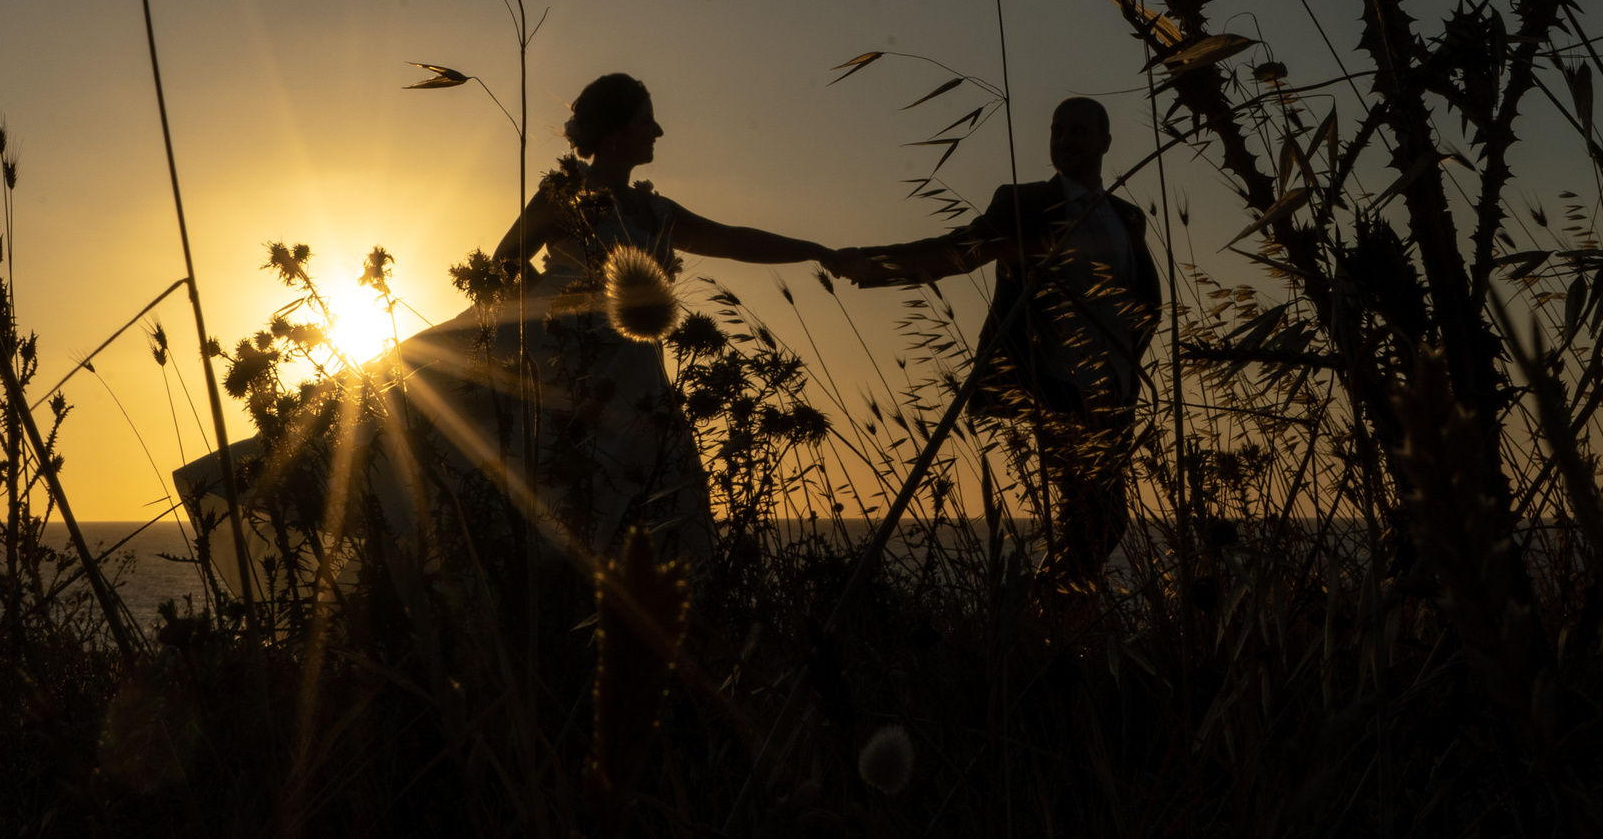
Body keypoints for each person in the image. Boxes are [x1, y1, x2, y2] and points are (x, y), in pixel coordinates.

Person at [373, 73, 838, 581]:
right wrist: (550, 317)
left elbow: (734, 241)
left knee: (649, 476)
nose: (658, 130)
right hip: (565, 354)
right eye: (646, 120)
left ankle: (639, 593)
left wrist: (819, 251)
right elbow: (506, 260)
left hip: (633, 363)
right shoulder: (564, 191)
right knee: (549, 467)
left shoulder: (653, 209)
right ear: (615, 134)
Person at [830, 96, 1160, 591]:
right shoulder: (1024, 203)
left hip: (1112, 395)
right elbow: (957, 252)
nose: (1065, 140)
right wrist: (871, 263)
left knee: (1105, 522)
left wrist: (1126, 365)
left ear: (1105, 143)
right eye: (1058, 130)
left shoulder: (1128, 217)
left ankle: (1044, 615)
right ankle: (1048, 618)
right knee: (1092, 516)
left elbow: (1145, 301)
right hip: (1056, 388)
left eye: (1078, 131)